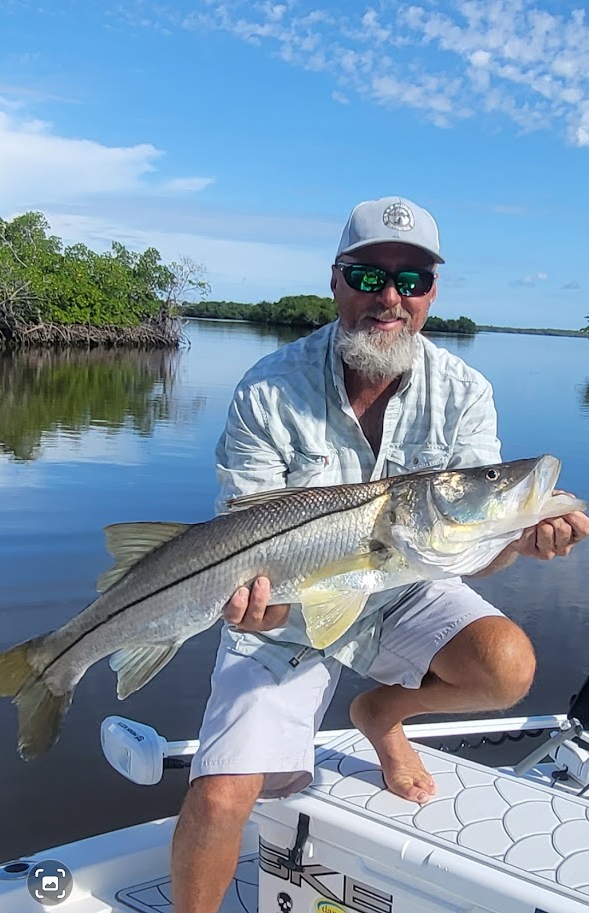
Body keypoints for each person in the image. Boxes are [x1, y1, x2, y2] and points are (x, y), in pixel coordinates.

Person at [171, 196, 589, 913]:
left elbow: (465, 552)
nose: (390, 298)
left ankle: (380, 713)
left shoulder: (465, 392)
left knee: (507, 665)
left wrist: (513, 538)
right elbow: (247, 559)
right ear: (336, 281)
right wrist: (253, 610)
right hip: (287, 611)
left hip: (405, 582)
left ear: (432, 295)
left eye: (413, 280)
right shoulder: (269, 389)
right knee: (219, 795)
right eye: (369, 277)